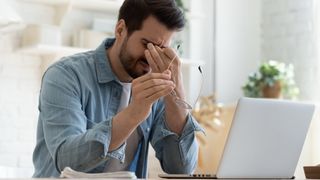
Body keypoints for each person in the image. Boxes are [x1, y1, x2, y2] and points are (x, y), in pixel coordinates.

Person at [32, 0, 203, 178]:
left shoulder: (156, 86)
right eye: (146, 44)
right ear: (120, 30)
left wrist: (177, 93)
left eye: (162, 49)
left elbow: (181, 169)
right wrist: (134, 112)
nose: (151, 57)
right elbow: (67, 161)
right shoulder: (65, 75)